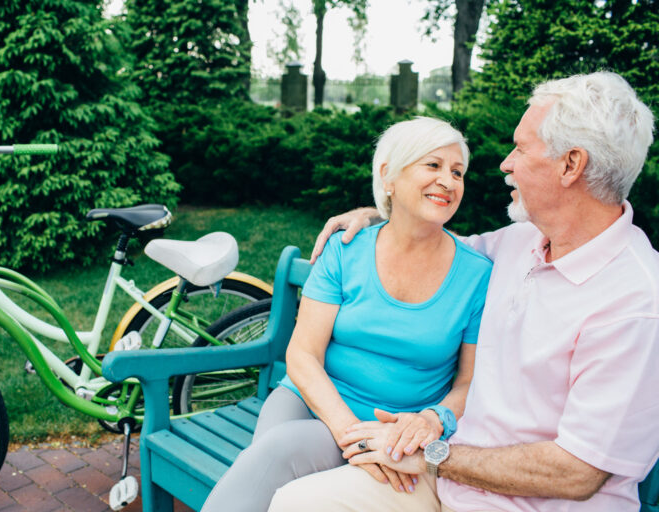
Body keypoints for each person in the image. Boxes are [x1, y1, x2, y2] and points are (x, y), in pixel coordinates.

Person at [268, 71, 659, 512]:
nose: (505, 163)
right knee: (294, 503)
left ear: (571, 165)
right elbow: (425, 242)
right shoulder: (521, 241)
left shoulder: (636, 304)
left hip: (516, 498)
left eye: (521, 148)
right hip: (444, 480)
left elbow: (577, 473)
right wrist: (380, 212)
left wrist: (434, 455)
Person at [200, 118, 493, 512]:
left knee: (277, 471)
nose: (449, 180)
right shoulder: (346, 249)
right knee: (275, 457)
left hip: (397, 432)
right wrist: (351, 437)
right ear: (388, 175)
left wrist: (432, 419)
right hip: (308, 400)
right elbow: (303, 355)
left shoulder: (476, 274)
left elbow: (468, 381)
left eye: (458, 172)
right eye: (433, 165)